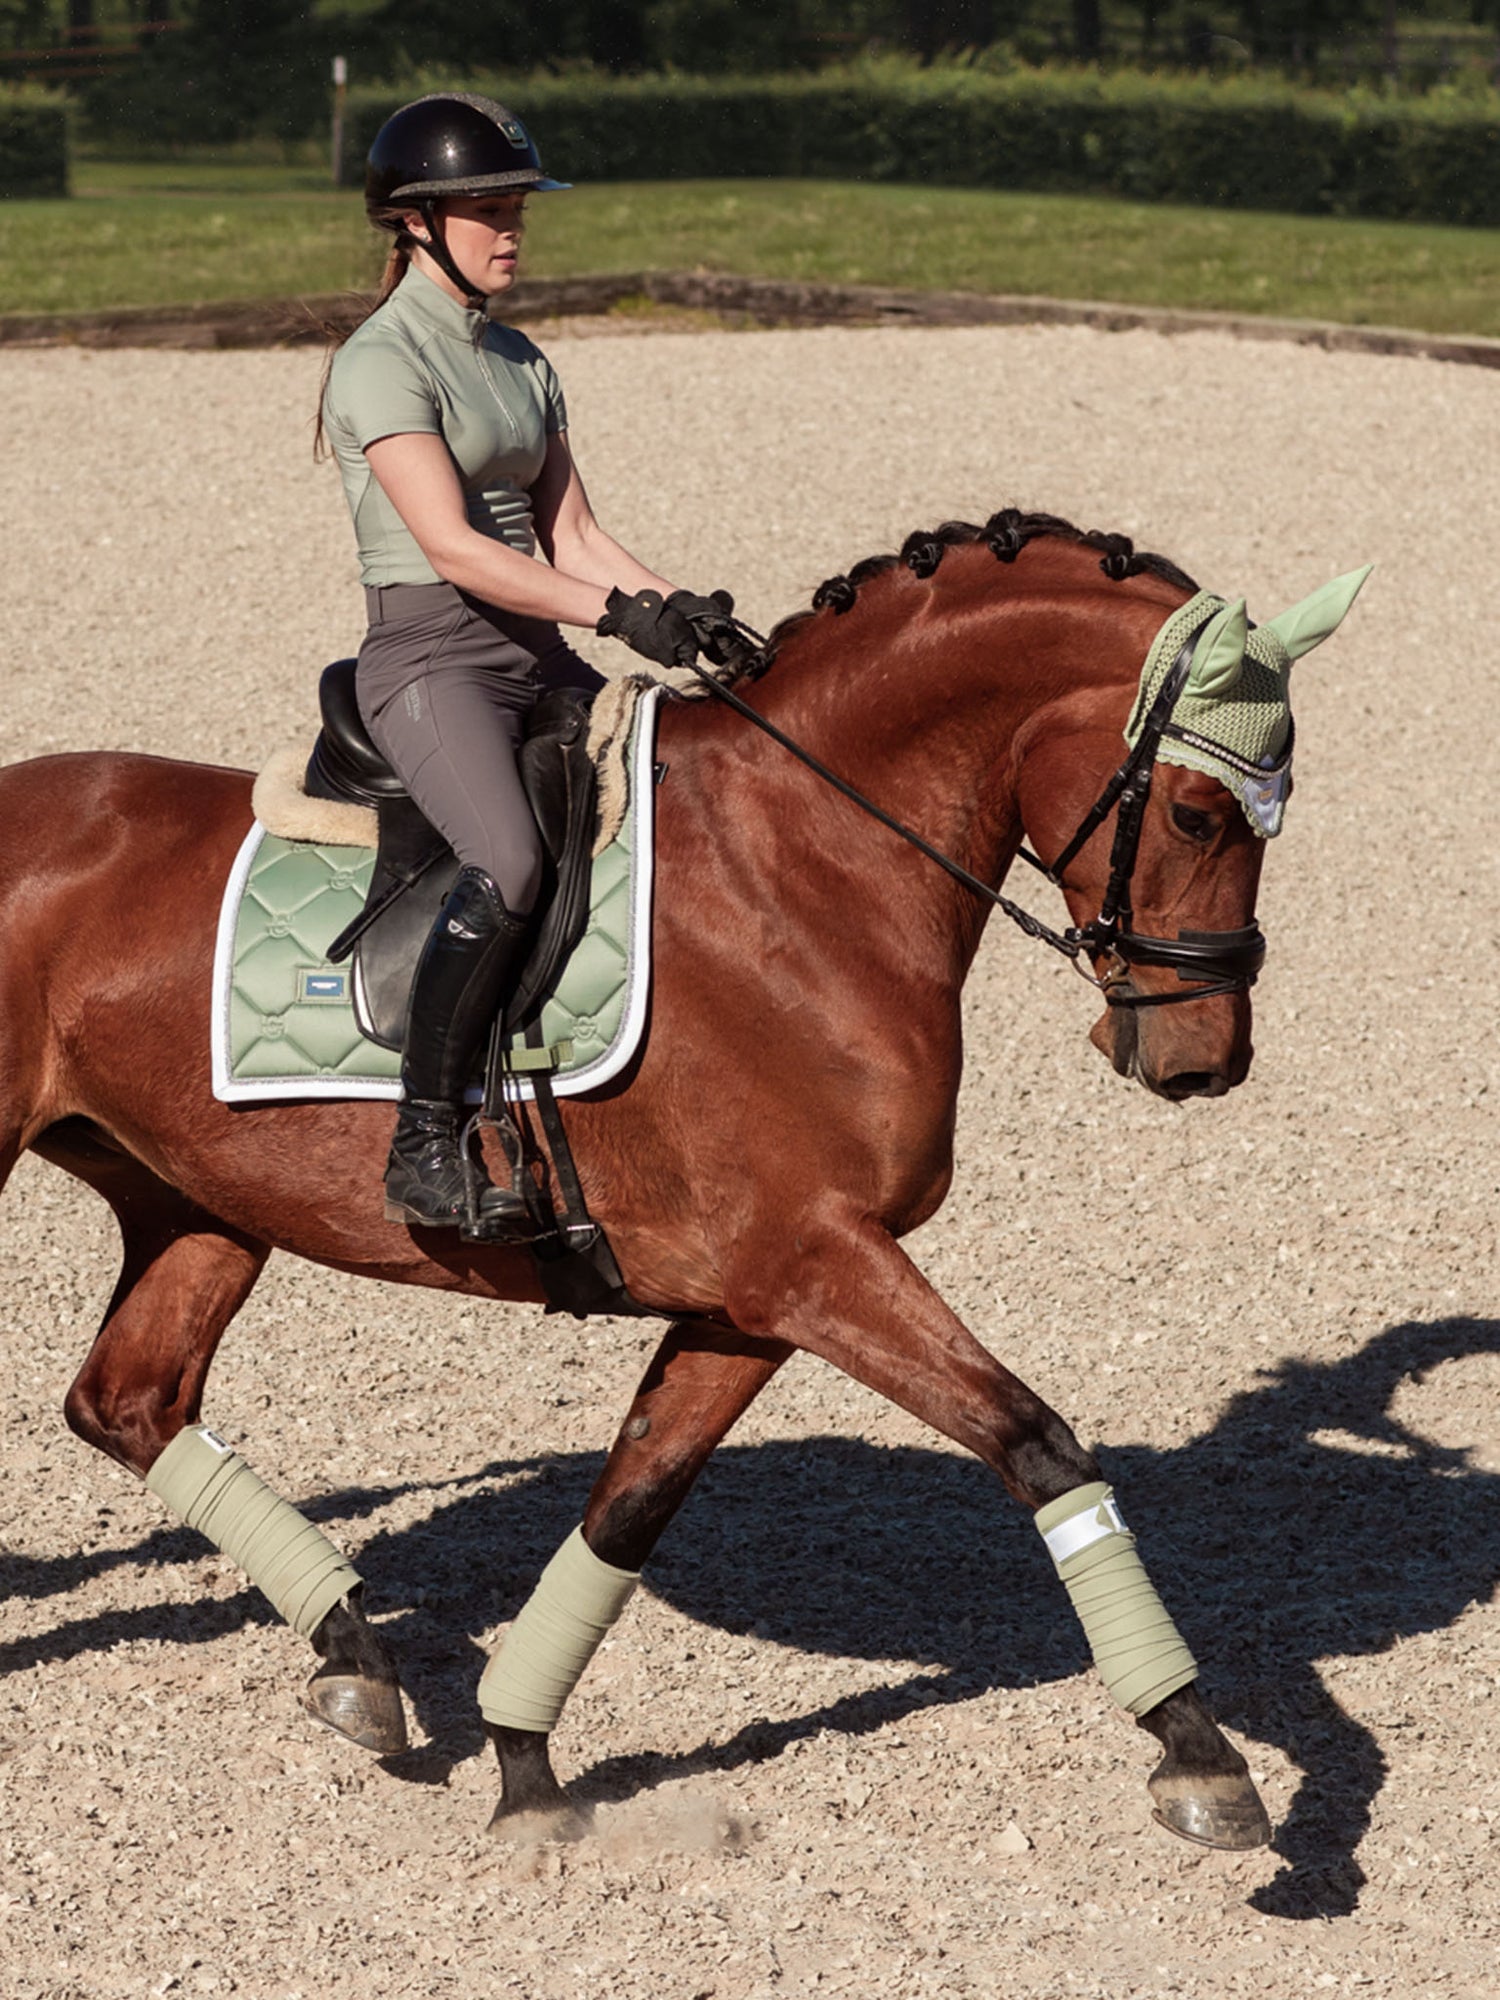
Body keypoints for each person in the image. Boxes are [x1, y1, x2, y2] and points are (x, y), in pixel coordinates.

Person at [320, 91, 727, 1235]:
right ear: (415, 224)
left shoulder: (520, 357)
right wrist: (614, 613)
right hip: (431, 656)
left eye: (517, 210)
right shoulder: (378, 363)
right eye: (489, 211)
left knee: (676, 807)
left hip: (537, 641)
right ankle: (427, 1127)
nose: (512, 231)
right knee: (505, 859)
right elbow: (455, 547)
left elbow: (578, 536)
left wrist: (680, 612)